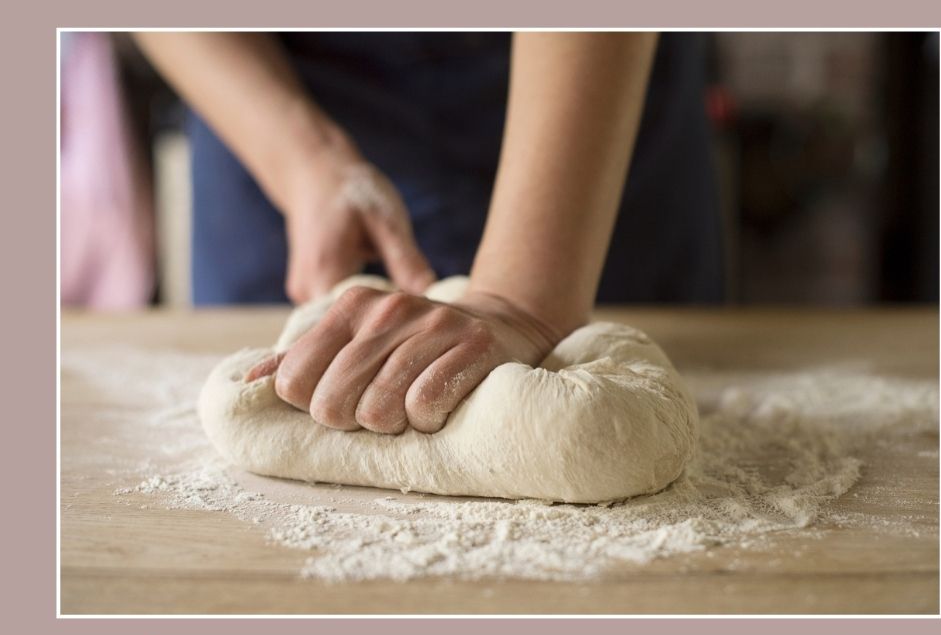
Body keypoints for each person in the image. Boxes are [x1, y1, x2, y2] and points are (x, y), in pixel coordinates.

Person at [136, 32, 721, 436]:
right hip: (269, 88)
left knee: (612, 417)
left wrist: (522, 303)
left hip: (578, 89)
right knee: (287, 391)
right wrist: (304, 160)